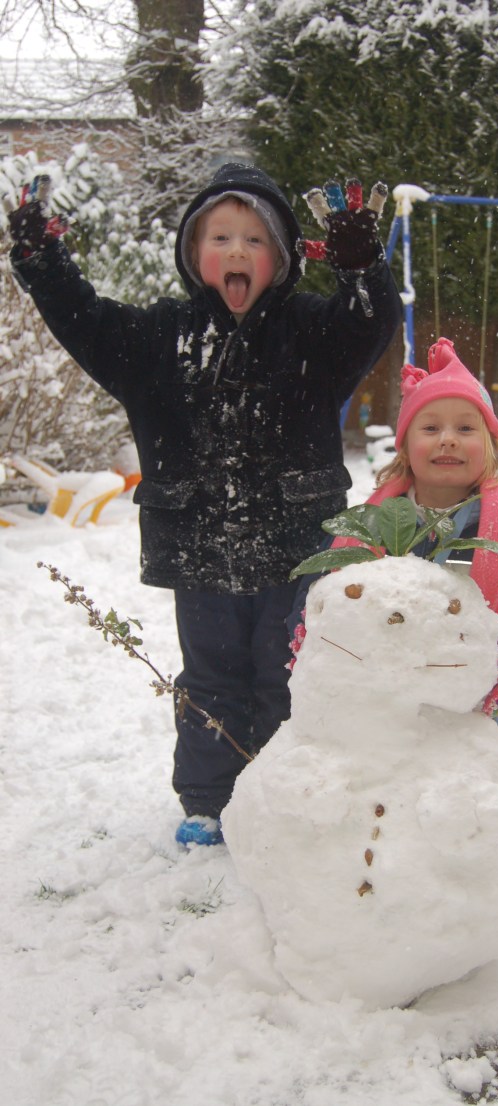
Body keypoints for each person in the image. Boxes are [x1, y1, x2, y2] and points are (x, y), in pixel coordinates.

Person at [7, 163, 402, 845]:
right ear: (194, 253)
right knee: (211, 677)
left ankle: (284, 794)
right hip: (199, 547)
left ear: (282, 258)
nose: (237, 250)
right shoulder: (160, 338)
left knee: (288, 672)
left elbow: (370, 323)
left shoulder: (312, 333)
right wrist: (44, 263)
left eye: (255, 238)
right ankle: (210, 801)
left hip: (295, 543)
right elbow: (86, 321)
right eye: (220, 237)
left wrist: (361, 268)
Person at [291, 337, 498, 761]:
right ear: (405, 447)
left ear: (491, 447)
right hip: (373, 727)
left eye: (465, 429)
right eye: (431, 428)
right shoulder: (364, 533)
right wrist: (314, 643)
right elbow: (313, 601)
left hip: (480, 737)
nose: (447, 440)